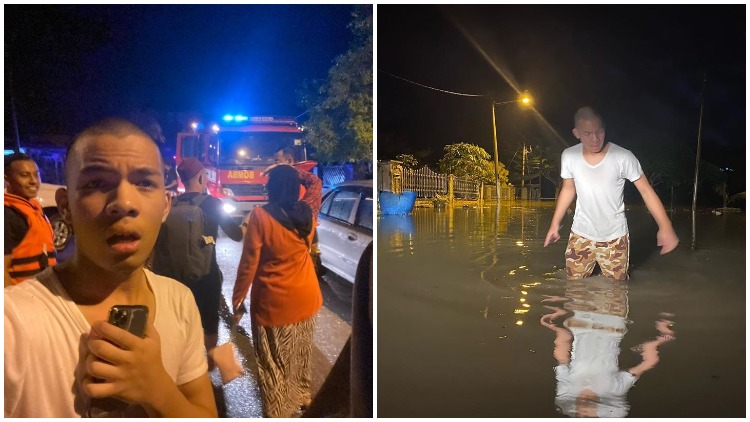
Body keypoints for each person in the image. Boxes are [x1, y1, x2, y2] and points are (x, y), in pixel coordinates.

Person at [4, 118, 217, 417]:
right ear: (64, 205)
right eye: (96, 183)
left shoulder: (179, 300)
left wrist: (160, 392)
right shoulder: (12, 325)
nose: (124, 202)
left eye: (144, 183)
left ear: (166, 206)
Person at [543, 106, 680, 280]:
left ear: (604, 129)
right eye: (587, 133)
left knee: (616, 293)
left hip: (615, 238)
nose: (595, 139)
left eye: (599, 131)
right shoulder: (569, 156)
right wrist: (555, 224)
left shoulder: (623, 157)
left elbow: (646, 191)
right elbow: (568, 188)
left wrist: (665, 227)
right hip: (581, 234)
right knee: (573, 287)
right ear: (576, 133)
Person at [232, 164, 323, 418]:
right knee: (300, 354)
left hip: (274, 305)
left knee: (273, 365)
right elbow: (315, 183)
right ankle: (303, 397)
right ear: (296, 187)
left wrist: (238, 300)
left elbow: (248, 264)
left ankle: (278, 412)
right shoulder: (309, 210)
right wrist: (295, 171)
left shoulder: (261, 216)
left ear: (270, 189)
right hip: (307, 298)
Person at [540, 277, 676, 417]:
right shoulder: (615, 391)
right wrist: (660, 338)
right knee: (615, 283)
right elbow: (647, 363)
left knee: (579, 281)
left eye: (581, 417)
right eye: (590, 417)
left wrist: (555, 326)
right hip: (612, 324)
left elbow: (562, 356)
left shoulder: (567, 390)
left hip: (580, 323)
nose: (584, 413)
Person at [152, 156, 245, 358]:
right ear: (202, 178)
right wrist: (246, 224)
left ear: (181, 180)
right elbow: (236, 235)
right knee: (209, 320)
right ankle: (208, 364)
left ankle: (181, 363)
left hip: (173, 276)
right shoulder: (212, 204)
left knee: (178, 320)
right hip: (205, 274)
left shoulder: (171, 204)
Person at [4, 152, 57, 286]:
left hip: (41, 291)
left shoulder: (34, 208)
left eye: (36, 174)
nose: (34, 180)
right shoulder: (7, 215)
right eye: (24, 175)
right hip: (22, 298)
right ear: (6, 180)